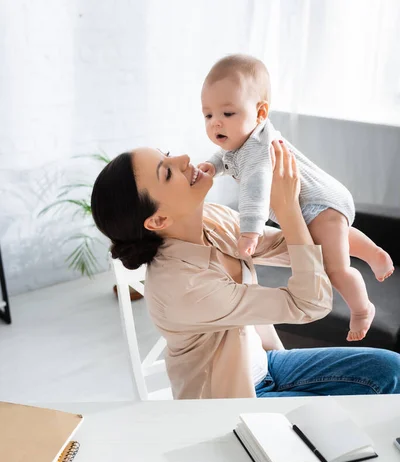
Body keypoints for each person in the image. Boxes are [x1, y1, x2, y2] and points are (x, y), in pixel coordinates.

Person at [91, 140, 400, 400]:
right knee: (348, 423)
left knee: (390, 371)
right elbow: (310, 304)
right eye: (168, 172)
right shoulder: (183, 287)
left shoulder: (212, 219)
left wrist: (344, 233)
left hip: (269, 365)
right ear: (158, 221)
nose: (184, 159)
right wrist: (287, 207)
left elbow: (292, 247)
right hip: (234, 403)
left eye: (168, 155)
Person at [198, 54, 394, 342]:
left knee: (334, 268)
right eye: (208, 115)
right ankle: (374, 253)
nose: (216, 124)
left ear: (261, 112)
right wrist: (212, 167)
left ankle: (362, 309)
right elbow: (226, 156)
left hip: (318, 204)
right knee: (331, 237)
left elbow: (255, 190)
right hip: (322, 204)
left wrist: (250, 231)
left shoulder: (256, 151)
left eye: (227, 114)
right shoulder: (245, 140)